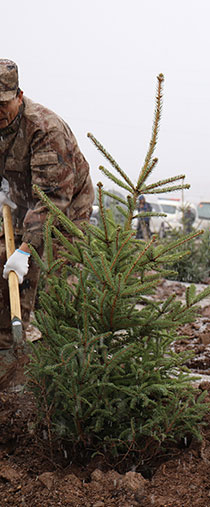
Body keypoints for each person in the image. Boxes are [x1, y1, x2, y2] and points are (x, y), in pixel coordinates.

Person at [0, 59, 94, 368]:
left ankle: (59, 359)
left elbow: (52, 200)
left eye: (4, 103)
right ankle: (8, 348)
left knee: (49, 274)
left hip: (66, 209)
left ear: (19, 96)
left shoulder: (45, 129)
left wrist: (25, 250)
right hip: (19, 202)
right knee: (3, 261)